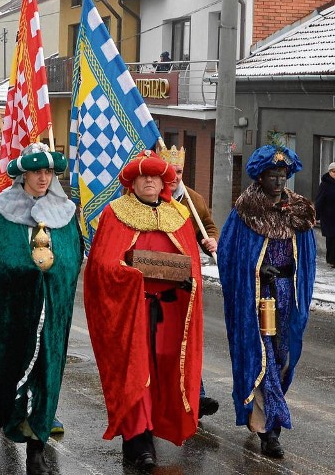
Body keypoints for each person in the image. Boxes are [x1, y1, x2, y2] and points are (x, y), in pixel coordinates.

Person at [84, 150, 204, 469]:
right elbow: (101, 266)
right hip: (130, 313)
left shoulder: (178, 215)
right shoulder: (115, 214)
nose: (149, 180)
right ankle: (138, 441)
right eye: (143, 176)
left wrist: (188, 283)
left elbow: (190, 265)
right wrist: (129, 275)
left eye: (155, 176)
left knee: (162, 373)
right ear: (133, 181)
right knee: (137, 374)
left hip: (167, 315)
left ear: (164, 181)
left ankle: (152, 430)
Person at [0, 143, 82, 475]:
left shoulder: (65, 212)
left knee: (46, 377)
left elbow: (74, 259)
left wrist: (54, 271)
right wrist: (16, 271)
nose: (44, 178)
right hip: (9, 309)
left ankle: (36, 449)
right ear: (24, 175)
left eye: (48, 172)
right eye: (37, 172)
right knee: (4, 369)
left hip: (49, 312)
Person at [218, 144, 316, 458]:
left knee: (284, 358)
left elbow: (308, 257)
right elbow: (229, 255)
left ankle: (265, 416)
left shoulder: (298, 211)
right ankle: (269, 429)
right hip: (259, 297)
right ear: (260, 177)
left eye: (282, 175)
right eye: (272, 175)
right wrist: (258, 270)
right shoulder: (246, 211)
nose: (277, 181)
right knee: (263, 359)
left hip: (289, 295)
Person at [159, 144, 220, 418]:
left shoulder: (193, 199)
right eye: (169, 171)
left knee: (188, 337)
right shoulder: (149, 198)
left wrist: (211, 240)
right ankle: (159, 396)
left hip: (186, 280)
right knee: (160, 341)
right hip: (156, 281)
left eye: (179, 171)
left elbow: (207, 225)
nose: (174, 177)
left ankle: (198, 394)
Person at [315, 161, 335, 267]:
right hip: (328, 216)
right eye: (334, 171)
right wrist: (315, 215)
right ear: (330, 172)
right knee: (331, 239)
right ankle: (331, 260)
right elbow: (319, 201)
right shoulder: (325, 184)